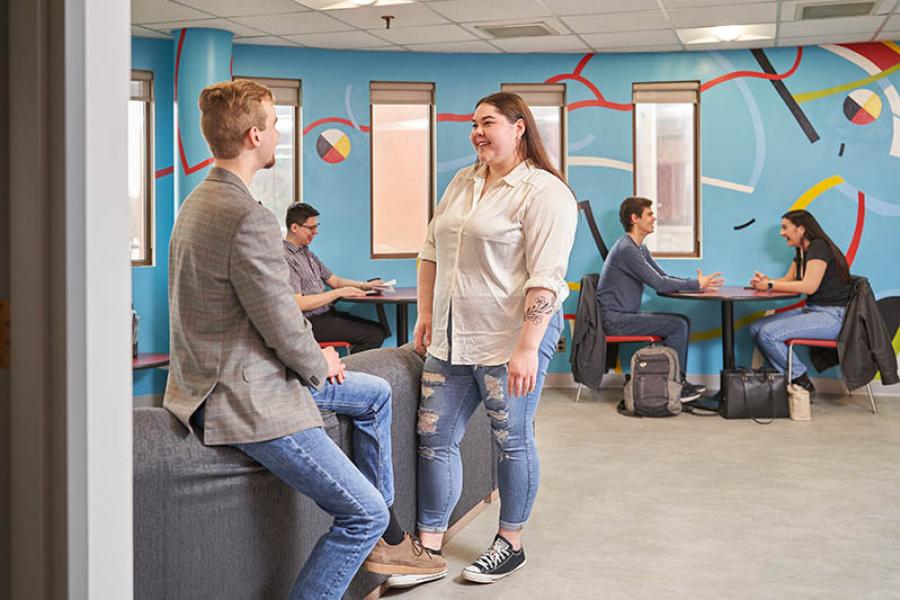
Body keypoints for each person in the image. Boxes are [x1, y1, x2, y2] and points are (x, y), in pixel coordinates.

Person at [163, 80, 443, 600]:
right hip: (245, 398)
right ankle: (376, 531)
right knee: (360, 514)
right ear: (253, 136)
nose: (277, 135)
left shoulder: (196, 202)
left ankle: (386, 544)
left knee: (376, 394)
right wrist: (320, 360)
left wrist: (313, 358)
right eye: (274, 125)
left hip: (215, 378)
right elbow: (280, 317)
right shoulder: (248, 216)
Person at [411, 92, 576, 584]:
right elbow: (430, 250)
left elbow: (547, 276)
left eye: (488, 123)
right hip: (451, 336)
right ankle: (429, 545)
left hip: (512, 337)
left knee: (512, 440)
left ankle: (510, 542)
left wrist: (527, 347)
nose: (477, 132)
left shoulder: (543, 191)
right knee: (434, 438)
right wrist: (425, 313)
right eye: (473, 123)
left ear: (519, 127)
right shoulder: (463, 181)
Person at [596, 196, 722, 400]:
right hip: (616, 320)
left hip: (624, 316)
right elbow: (660, 284)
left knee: (682, 322)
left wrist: (696, 285)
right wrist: (696, 285)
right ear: (634, 218)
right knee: (677, 325)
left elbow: (663, 277)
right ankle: (676, 386)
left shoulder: (638, 248)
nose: (654, 218)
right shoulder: (626, 249)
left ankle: (672, 382)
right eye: (649, 214)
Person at [747, 209, 854, 392]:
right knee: (756, 328)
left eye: (785, 228)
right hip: (814, 310)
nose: (781, 233)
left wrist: (770, 285)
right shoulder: (802, 250)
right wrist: (765, 282)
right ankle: (784, 380)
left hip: (833, 316)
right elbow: (789, 280)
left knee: (768, 334)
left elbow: (808, 286)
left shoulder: (818, 247)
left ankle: (801, 381)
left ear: (801, 229)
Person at [283, 202, 387, 353]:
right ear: (294, 228)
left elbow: (335, 281)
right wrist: (338, 293)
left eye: (316, 227)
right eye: (311, 228)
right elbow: (299, 303)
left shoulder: (308, 254)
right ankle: (348, 373)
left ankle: (348, 369)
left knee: (380, 329)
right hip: (310, 323)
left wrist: (365, 285)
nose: (315, 232)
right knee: (373, 335)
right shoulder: (286, 259)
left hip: (327, 315)